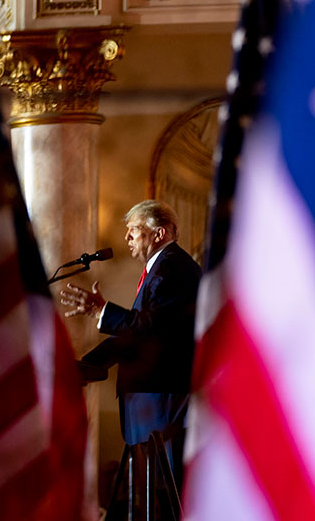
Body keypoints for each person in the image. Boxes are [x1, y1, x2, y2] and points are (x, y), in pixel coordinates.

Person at [60, 200, 201, 490]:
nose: (126, 237)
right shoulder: (162, 268)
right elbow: (137, 333)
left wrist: (102, 313)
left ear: (159, 234)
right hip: (152, 405)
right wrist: (85, 365)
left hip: (162, 404)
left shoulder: (171, 269)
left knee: (169, 496)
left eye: (134, 230)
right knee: (155, 498)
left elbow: (149, 329)